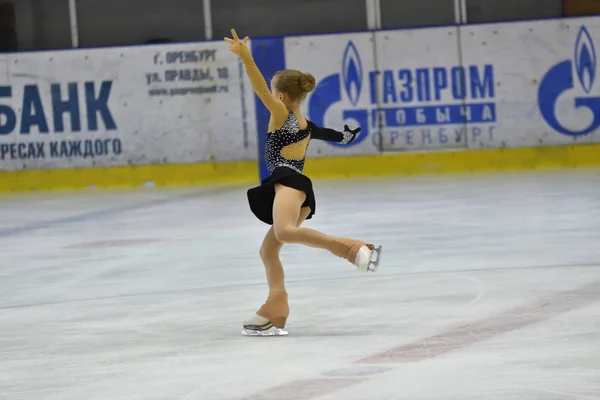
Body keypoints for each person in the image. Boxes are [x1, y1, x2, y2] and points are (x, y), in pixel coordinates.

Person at [224, 29, 382, 336]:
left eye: (274, 93)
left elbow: (259, 90)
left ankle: (351, 248)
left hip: (288, 181)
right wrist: (347, 136)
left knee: (283, 232)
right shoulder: (307, 125)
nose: (271, 96)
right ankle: (275, 308)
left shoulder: (280, 114)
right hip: (295, 188)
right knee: (268, 250)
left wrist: (246, 58)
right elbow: (336, 136)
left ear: (281, 97)